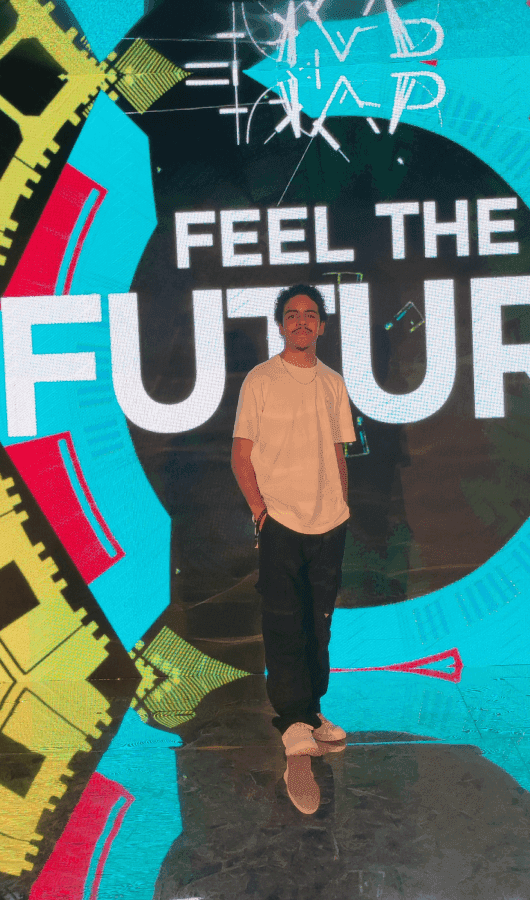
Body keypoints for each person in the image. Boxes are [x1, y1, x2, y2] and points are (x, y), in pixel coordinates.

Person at [231, 284, 355, 812]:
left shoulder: (333, 383)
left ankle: (313, 711)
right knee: (284, 623)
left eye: (310, 315)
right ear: (280, 326)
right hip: (280, 521)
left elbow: (338, 452)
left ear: (322, 326)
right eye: (292, 315)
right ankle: (294, 723)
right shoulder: (260, 380)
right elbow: (241, 455)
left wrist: (341, 503)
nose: (301, 322)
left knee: (318, 623)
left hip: (331, 522)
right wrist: (261, 512)